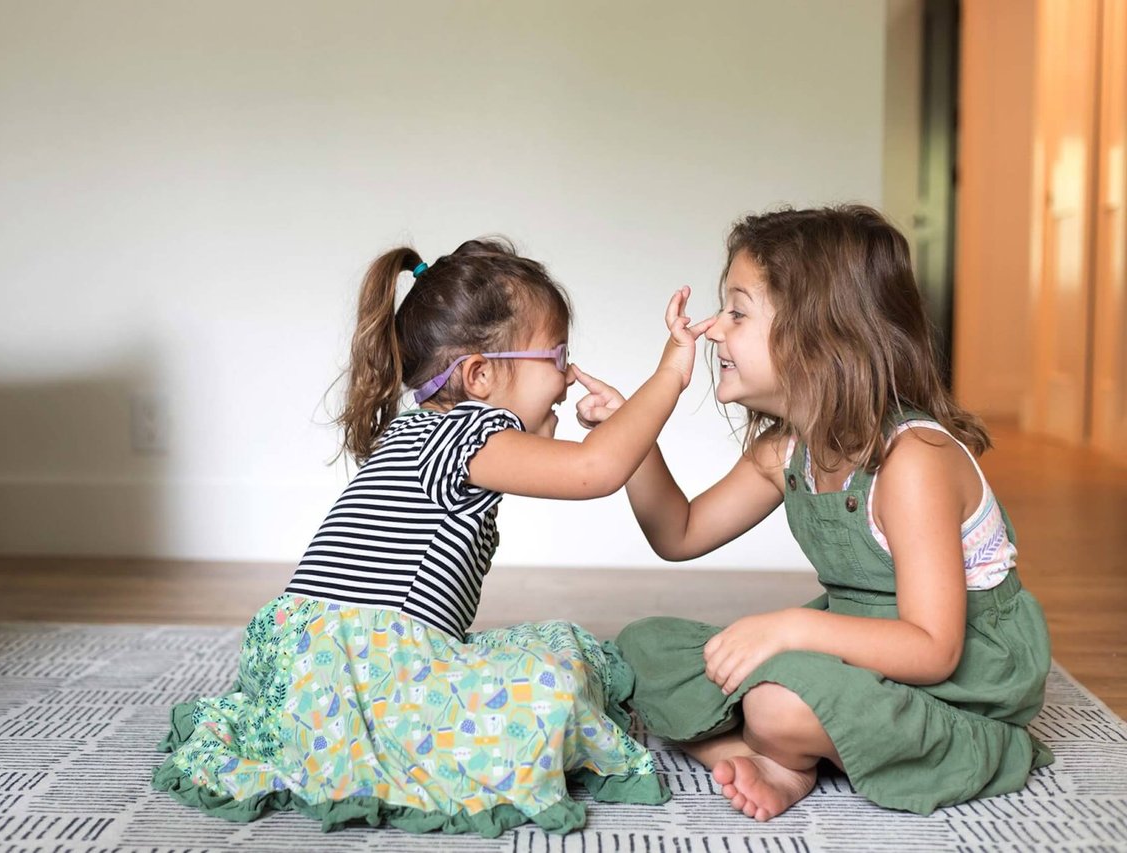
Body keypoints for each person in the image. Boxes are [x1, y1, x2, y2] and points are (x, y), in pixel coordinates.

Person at [153, 238, 710, 836]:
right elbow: (593, 470)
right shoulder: (469, 435)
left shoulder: (422, 429)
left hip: (311, 666)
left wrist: (613, 422)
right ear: (479, 375)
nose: (569, 377)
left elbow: (592, 459)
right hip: (369, 671)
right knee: (555, 672)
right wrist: (670, 375)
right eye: (557, 356)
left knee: (549, 656)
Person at [575, 205, 1052, 822]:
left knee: (779, 703)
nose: (714, 328)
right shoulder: (785, 452)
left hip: (959, 685)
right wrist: (627, 432)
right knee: (644, 650)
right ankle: (772, 758)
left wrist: (789, 629)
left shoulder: (914, 460)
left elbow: (934, 648)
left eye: (738, 312)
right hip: (851, 654)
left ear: (820, 338)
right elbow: (679, 532)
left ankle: (960, 748)